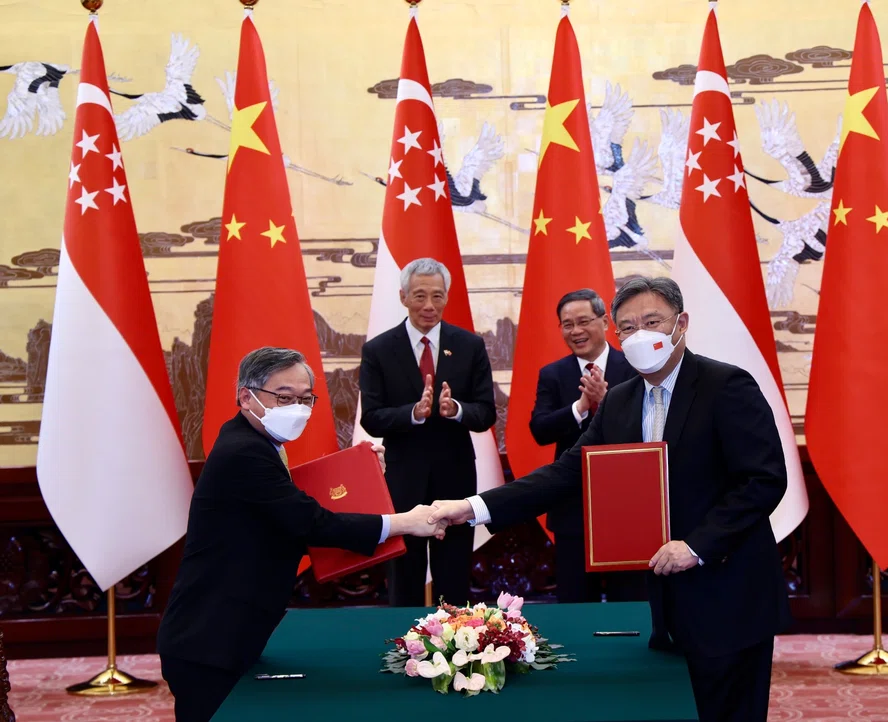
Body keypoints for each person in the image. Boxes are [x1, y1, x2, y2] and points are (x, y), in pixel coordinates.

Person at [428, 276, 791, 722]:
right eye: (628, 327)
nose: (640, 335)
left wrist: (697, 545)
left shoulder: (726, 385)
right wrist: (472, 507)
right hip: (665, 606)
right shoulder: (620, 400)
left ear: (682, 324)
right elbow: (566, 473)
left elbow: (763, 480)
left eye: (652, 321)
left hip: (729, 598)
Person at [157, 347, 443, 722]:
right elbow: (312, 522)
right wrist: (405, 521)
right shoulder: (244, 452)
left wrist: (365, 471)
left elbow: (299, 504)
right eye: (284, 398)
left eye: (305, 399)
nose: (298, 409)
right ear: (246, 396)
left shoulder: (255, 442)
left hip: (228, 633)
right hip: (207, 642)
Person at [359, 257, 496, 608]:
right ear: (403, 296)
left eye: (437, 296)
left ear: (447, 297)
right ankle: (405, 651)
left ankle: (460, 648)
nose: (429, 306)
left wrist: (457, 410)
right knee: (404, 572)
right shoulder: (378, 350)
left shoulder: (469, 345)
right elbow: (371, 418)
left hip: (455, 475)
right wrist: (413, 414)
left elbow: (486, 414)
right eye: (420, 296)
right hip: (404, 476)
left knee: (453, 573)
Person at [530, 288, 643, 604]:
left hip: (628, 504)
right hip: (572, 504)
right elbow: (539, 430)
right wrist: (580, 406)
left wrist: (608, 403)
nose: (576, 331)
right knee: (576, 599)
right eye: (567, 324)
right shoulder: (554, 374)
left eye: (583, 321)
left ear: (605, 322)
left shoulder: (635, 366)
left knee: (630, 597)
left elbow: (650, 427)